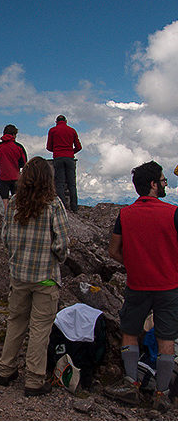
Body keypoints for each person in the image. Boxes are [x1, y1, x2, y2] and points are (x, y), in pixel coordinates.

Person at [104, 161, 178, 412]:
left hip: (137, 283)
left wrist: (133, 264)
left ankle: (130, 382)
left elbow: (113, 250)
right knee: (166, 337)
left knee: (130, 330)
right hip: (168, 284)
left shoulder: (125, 215)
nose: (166, 183)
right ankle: (162, 392)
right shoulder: (173, 213)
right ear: (154, 184)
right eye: (163, 180)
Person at [0, 156, 69, 397]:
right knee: (40, 328)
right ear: (48, 179)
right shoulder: (54, 204)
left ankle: (5, 370)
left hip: (18, 276)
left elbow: (5, 237)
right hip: (46, 277)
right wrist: (57, 259)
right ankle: (34, 380)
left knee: (16, 322)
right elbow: (61, 243)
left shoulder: (15, 203)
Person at [46, 115, 82, 213]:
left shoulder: (52, 131)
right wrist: (70, 152)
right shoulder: (72, 130)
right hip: (70, 158)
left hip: (58, 158)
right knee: (72, 184)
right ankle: (74, 207)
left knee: (59, 183)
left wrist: (58, 151)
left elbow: (49, 147)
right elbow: (79, 147)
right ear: (66, 121)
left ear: (56, 121)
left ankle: (63, 207)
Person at [0, 124, 28, 212]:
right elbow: (24, 163)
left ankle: (6, 217)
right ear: (14, 135)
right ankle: (17, 216)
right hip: (15, 177)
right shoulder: (19, 147)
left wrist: (1, 164)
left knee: (4, 199)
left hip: (3, 177)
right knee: (17, 198)